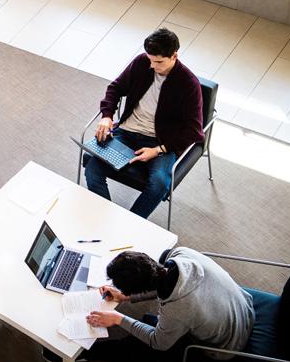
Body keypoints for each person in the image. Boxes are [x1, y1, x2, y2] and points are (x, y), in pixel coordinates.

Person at [83, 27, 204, 219]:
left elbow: (194, 132)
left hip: (160, 141)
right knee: (92, 170)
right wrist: (107, 115)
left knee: (159, 184)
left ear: (174, 56)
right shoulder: (142, 62)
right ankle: (106, 218)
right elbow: (115, 88)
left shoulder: (189, 84)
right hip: (127, 131)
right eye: (150, 59)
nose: (152, 66)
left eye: (159, 62)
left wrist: (158, 150)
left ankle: (131, 224)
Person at [78, 248, 255, 362]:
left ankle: (86, 353)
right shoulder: (180, 254)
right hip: (243, 308)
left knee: (138, 343)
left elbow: (158, 342)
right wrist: (126, 296)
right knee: (151, 321)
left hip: (226, 344)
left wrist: (118, 319)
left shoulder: (178, 309)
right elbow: (159, 279)